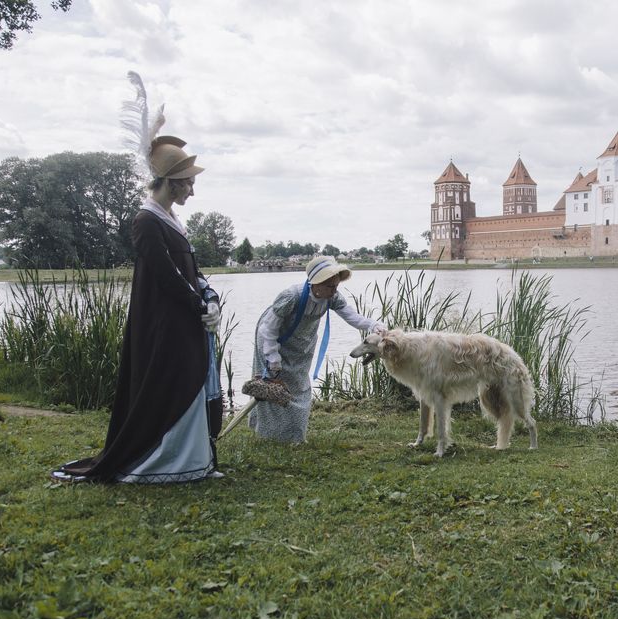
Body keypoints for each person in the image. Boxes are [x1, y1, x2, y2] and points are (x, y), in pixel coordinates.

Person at [52, 136, 223, 483]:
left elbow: (191, 270)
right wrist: (198, 304)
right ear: (170, 183)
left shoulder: (171, 219)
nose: (191, 190)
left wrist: (211, 297)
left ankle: (195, 460)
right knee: (172, 385)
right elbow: (167, 276)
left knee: (189, 382)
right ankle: (165, 463)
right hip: (165, 325)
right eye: (188, 182)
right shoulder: (146, 221)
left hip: (186, 321)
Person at [249, 256, 385, 442]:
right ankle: (269, 435)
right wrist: (272, 356)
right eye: (330, 286)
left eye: (336, 286)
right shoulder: (291, 297)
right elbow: (268, 329)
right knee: (272, 386)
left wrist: (373, 325)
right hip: (273, 340)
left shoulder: (332, 297)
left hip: (302, 343)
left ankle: (295, 436)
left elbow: (352, 317)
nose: (335, 290)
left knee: (299, 386)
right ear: (317, 283)